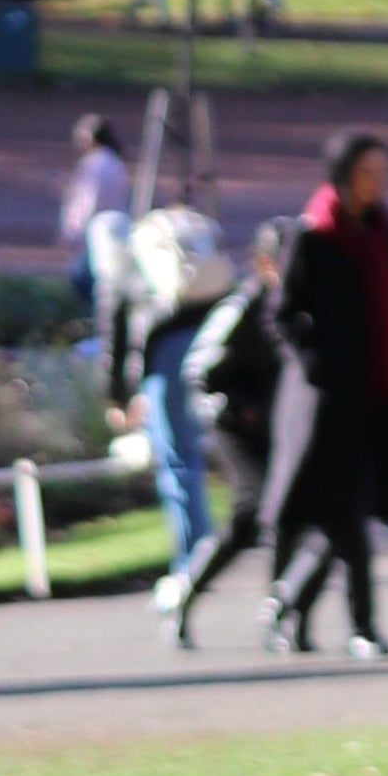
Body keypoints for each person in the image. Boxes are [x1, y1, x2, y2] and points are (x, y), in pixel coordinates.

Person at [269, 130, 388, 660]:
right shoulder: (312, 236)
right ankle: (363, 627)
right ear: (344, 174)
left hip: (376, 399)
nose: (377, 183)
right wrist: (318, 363)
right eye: (367, 172)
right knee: (346, 521)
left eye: (382, 172)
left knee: (345, 520)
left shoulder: (385, 232)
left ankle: (289, 604)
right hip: (326, 406)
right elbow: (282, 314)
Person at [165, 222, 291, 646]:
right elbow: (200, 370)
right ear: (264, 262)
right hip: (236, 424)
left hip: (277, 423)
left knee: (288, 514)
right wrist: (242, 408)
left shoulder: (291, 305)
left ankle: (278, 612)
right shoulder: (244, 306)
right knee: (249, 514)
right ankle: (187, 595)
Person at [121, 203, 232, 604]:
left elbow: (123, 322)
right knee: (202, 458)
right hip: (205, 346)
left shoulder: (138, 261)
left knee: (178, 461)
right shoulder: (202, 248)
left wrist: (121, 390)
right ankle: (206, 555)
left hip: (164, 356)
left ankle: (192, 562)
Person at [60, 113, 133, 401]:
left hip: (96, 233)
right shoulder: (113, 161)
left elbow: (87, 200)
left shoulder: (96, 163)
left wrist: (73, 230)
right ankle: (102, 334)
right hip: (111, 230)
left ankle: (101, 335)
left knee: (87, 280)